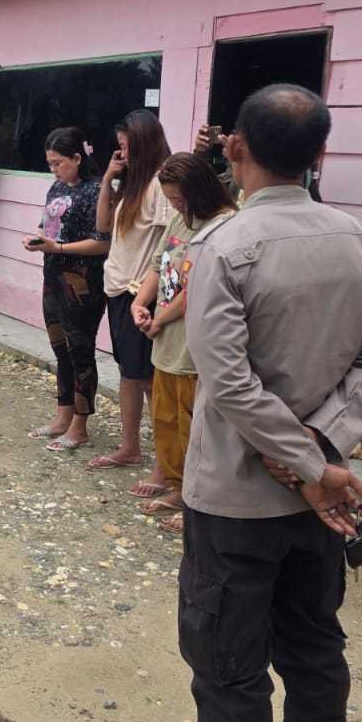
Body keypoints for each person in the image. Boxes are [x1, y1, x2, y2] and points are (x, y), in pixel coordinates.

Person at [178, 84, 362, 722]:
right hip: (323, 500)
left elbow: (227, 379)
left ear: (234, 147)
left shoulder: (224, 246)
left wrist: (303, 459)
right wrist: (322, 445)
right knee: (314, 649)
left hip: (235, 498)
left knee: (228, 666)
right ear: (320, 154)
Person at [127, 152, 236, 528]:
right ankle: (178, 487)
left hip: (195, 345)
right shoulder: (180, 218)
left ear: (199, 191)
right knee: (167, 422)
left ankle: (198, 503)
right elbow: (158, 264)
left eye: (178, 198)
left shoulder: (223, 224)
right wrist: (140, 303)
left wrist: (158, 319)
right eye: (170, 198)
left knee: (195, 429)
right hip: (166, 341)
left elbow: (199, 287)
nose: (174, 205)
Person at [84, 110, 174, 476]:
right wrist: (108, 178)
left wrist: (152, 295)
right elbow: (103, 227)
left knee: (150, 380)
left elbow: (171, 244)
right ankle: (130, 447)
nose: (122, 153)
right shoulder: (133, 183)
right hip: (119, 289)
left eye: (126, 145)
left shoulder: (160, 184)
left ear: (145, 143)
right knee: (128, 373)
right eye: (119, 146)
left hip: (142, 293)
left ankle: (165, 464)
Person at [22, 126, 110, 453]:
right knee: (61, 348)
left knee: (81, 351)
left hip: (83, 282)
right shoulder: (57, 187)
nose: (54, 169)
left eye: (59, 163)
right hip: (53, 276)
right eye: (50, 164)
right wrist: (37, 239)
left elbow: (102, 243)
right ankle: (63, 416)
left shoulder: (97, 191)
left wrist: (57, 248)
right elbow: (47, 225)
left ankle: (80, 426)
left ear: (77, 158)